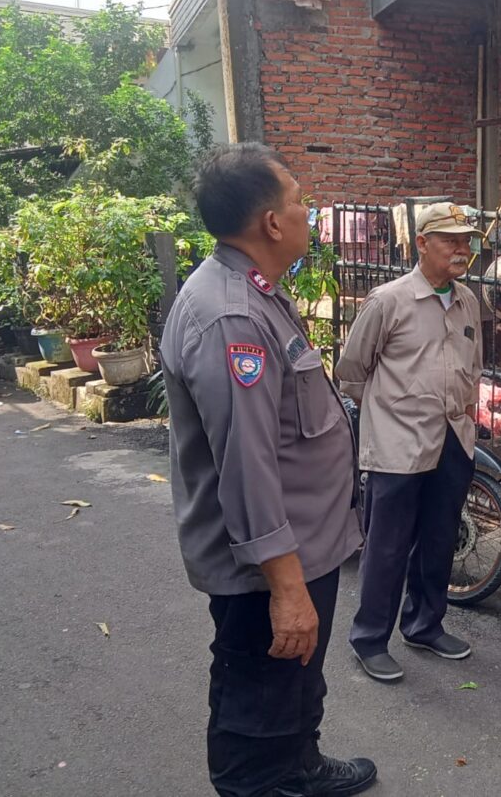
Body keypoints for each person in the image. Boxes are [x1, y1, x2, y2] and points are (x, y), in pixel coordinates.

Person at [160, 142, 377, 797]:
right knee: (258, 699)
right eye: (301, 201)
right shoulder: (232, 317)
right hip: (267, 571)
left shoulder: (255, 293)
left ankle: (299, 768)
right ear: (271, 223)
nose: (309, 213)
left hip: (304, 548)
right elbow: (248, 468)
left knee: (293, 681)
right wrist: (285, 589)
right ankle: (264, 781)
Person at [336, 202, 483, 682]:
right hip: (399, 444)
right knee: (387, 546)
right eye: (450, 240)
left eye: (467, 241)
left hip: (452, 440)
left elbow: (473, 366)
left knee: (440, 540)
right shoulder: (389, 301)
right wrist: (389, 414)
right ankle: (369, 639)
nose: (462, 249)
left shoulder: (468, 300)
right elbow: (352, 371)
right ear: (422, 243)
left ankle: (424, 624)